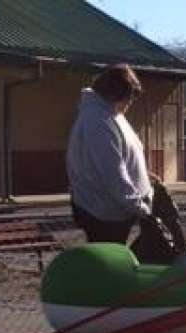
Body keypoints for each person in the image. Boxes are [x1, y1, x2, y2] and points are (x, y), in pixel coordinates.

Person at [66, 64, 153, 244]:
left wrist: (145, 176)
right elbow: (112, 172)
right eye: (128, 99)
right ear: (115, 94)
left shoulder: (109, 113)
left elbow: (125, 154)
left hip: (115, 209)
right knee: (110, 264)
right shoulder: (98, 120)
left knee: (116, 260)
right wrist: (139, 207)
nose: (129, 104)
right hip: (104, 212)